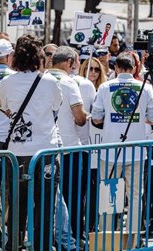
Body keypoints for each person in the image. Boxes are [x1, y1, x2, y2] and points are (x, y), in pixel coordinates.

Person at [0, 34, 63, 251]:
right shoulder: (50, 81)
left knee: (17, 202)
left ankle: (15, 243)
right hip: (45, 150)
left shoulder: (6, 82)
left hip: (17, 152)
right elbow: (56, 105)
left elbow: (5, 107)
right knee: (44, 203)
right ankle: (42, 245)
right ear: (39, 57)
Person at [91, 53, 153, 248]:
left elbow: (96, 117)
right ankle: (133, 241)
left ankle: (107, 239)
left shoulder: (105, 88)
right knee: (136, 196)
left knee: (109, 195)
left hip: (110, 151)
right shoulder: (145, 88)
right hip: (136, 152)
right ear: (133, 69)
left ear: (117, 69)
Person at [49, 47, 89, 246]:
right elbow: (80, 118)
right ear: (69, 62)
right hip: (69, 148)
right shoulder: (69, 82)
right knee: (71, 198)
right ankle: (70, 238)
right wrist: (86, 117)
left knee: (48, 199)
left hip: (46, 148)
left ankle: (49, 238)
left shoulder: (41, 79)